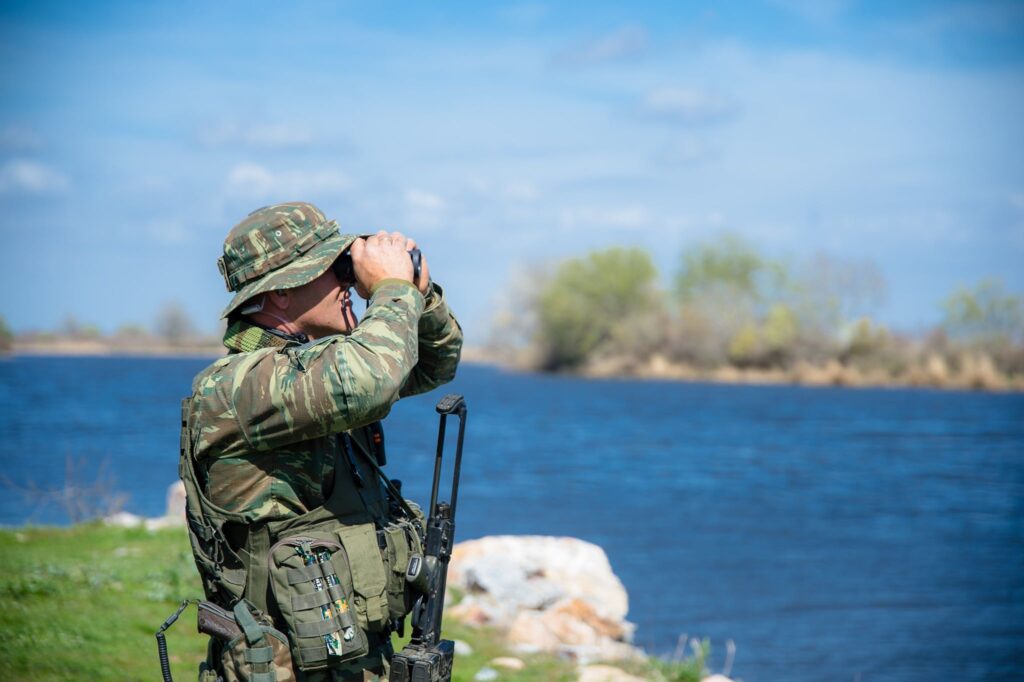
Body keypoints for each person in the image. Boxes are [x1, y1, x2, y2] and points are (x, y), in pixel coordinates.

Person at [179, 201, 462, 681]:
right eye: (334, 269)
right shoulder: (236, 389)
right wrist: (390, 289)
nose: (349, 282)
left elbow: (434, 361)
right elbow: (372, 377)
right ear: (280, 294)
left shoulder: (309, 374)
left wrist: (418, 292)